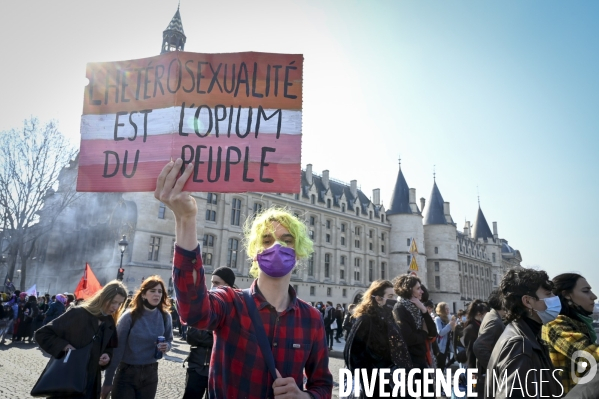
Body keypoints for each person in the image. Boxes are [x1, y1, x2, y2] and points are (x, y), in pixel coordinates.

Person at [155, 158, 332, 399]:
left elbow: (322, 385)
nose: (277, 247)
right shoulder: (230, 302)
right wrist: (185, 220)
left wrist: (305, 397)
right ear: (255, 253)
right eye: (267, 241)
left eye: (287, 241)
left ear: (299, 252)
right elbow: (193, 311)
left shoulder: (312, 319)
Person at [35, 281, 127, 399]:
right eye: (113, 302)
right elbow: (42, 334)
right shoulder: (78, 313)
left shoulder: (109, 322)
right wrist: (64, 346)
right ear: (103, 298)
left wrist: (106, 356)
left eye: (120, 303)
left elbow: (109, 348)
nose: (116, 307)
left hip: (91, 384)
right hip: (67, 381)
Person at [485, 268, 563, 399]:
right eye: (548, 294)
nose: (555, 298)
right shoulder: (519, 344)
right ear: (527, 301)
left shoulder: (528, 336)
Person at [102, 275, 174, 399]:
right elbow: (117, 351)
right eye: (152, 291)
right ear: (143, 294)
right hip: (127, 372)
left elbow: (169, 340)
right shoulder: (129, 317)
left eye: (160, 291)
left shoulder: (165, 316)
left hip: (151, 373)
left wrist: (166, 346)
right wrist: (108, 381)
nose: (157, 294)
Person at [344, 280, 412, 399]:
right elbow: (351, 353)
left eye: (394, 296)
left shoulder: (390, 319)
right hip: (374, 383)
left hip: (392, 379)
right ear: (378, 298)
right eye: (390, 296)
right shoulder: (365, 320)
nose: (394, 300)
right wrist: (371, 376)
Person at [183, 266, 236, 399]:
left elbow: (232, 339)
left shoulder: (236, 307)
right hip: (197, 365)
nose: (212, 287)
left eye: (216, 283)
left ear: (227, 286)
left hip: (220, 370)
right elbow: (191, 335)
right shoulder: (205, 302)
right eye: (212, 283)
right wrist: (216, 335)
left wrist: (209, 334)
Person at [541, 273, 599, 394]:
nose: (594, 296)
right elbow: (587, 355)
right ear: (567, 295)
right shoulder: (555, 324)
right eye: (586, 291)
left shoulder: (579, 323)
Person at [392, 274, 437, 398]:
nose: (421, 291)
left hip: (421, 358)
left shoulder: (418, 307)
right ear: (409, 289)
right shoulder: (399, 308)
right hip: (409, 361)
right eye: (418, 288)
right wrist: (423, 332)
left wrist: (423, 310)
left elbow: (433, 332)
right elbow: (409, 338)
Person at [473, 289, 506, 397]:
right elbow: (479, 347)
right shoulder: (495, 321)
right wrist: (495, 369)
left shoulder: (492, 315)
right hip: (490, 377)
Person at [434, 301, 457, 372]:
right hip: (440, 345)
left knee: (443, 364)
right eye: (446, 309)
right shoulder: (438, 319)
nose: (448, 311)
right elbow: (440, 332)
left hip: (448, 344)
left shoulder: (448, 318)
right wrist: (450, 325)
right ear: (441, 310)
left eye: (448, 309)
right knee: (439, 364)